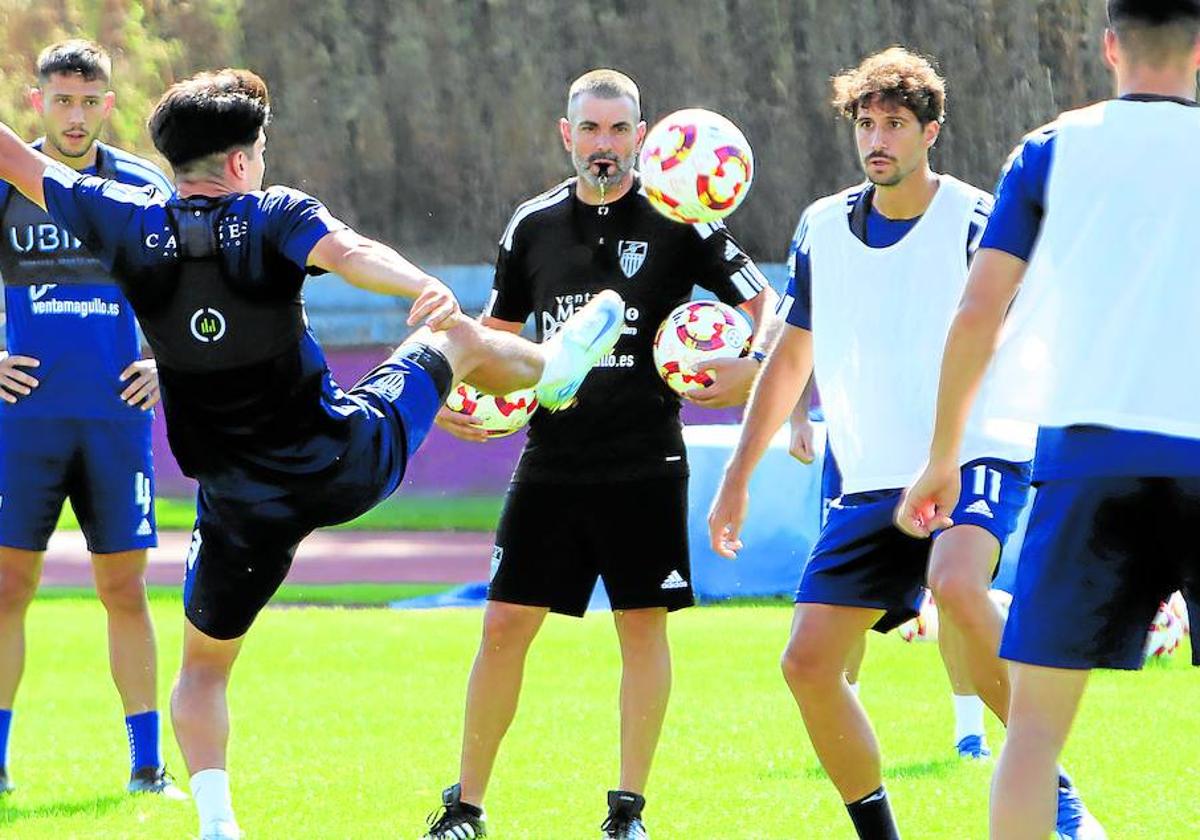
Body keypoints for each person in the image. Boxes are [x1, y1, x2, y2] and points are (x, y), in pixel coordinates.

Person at [0, 67, 625, 840]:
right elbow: (350, 250)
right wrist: (420, 286)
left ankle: (218, 825)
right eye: (258, 151)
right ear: (239, 163)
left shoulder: (121, 217)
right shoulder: (274, 214)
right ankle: (553, 371)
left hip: (238, 505)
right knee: (456, 337)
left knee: (201, 671)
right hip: (342, 462)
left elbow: (15, 161)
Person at [707, 47, 1100, 839]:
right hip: (873, 477)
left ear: (931, 133)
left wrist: (953, 451)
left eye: (894, 124)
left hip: (975, 451)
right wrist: (738, 476)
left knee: (958, 585)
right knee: (808, 663)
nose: (876, 138)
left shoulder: (975, 218)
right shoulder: (820, 227)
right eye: (866, 123)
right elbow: (791, 358)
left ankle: (1053, 794)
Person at [423, 68, 777, 840]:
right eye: (590, 130)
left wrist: (752, 365)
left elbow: (765, 307)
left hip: (646, 458)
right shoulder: (533, 225)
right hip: (552, 459)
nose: (604, 146)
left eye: (619, 130)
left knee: (641, 627)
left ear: (642, 137)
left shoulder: (680, 213)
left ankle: (627, 814)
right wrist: (463, 393)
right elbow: (500, 338)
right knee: (502, 626)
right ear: (566, 135)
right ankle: (466, 808)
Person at [898, 2, 1200, 836]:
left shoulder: (1051, 150)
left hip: (1089, 458)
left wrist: (941, 456)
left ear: (1109, 46)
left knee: (1031, 733)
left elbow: (977, 311)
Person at [0, 39, 182, 799]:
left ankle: (147, 768)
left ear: (110, 105)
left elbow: (187, 292)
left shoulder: (143, 186)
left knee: (125, 589)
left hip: (115, 418)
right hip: (24, 422)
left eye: (89, 101)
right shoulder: (11, 183)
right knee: (8, 588)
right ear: (37, 102)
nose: (75, 116)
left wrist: (165, 362)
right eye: (61, 100)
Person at [792, 389, 998, 761]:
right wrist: (798, 417)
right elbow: (797, 341)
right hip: (858, 451)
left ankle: (972, 734)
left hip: (948, 443)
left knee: (954, 584)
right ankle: (841, 728)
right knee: (839, 596)